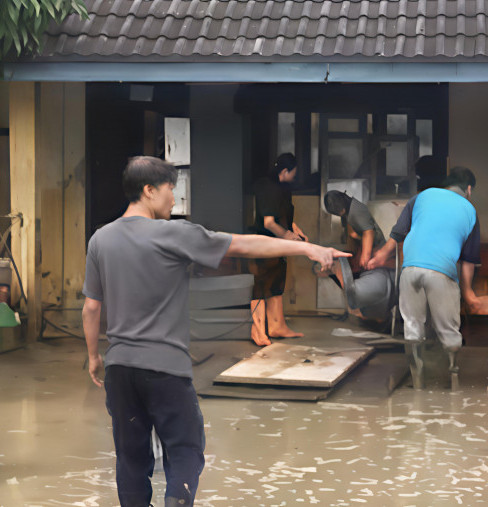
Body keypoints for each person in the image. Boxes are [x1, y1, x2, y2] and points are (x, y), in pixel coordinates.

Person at [82, 156, 348, 506]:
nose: (173, 199)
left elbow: (91, 307)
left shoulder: (100, 239)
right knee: (185, 452)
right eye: (169, 190)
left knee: (131, 459)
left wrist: (93, 357)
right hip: (165, 370)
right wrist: (308, 247)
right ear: (149, 191)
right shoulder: (175, 234)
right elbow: (246, 244)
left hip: (120, 369)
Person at [368, 166, 482, 389]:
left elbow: (397, 233)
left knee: (412, 326)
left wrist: (381, 255)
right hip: (441, 272)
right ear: (468, 189)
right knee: (448, 328)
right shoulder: (470, 210)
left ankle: (417, 377)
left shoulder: (421, 197)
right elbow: (469, 259)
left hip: (409, 270)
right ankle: (453, 372)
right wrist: (468, 292)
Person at [249, 153, 309, 346]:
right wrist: (287, 237)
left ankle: (277, 326)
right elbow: (269, 223)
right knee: (261, 286)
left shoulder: (283, 189)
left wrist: (296, 232)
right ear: (284, 171)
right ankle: (258, 331)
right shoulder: (267, 188)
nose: (294, 176)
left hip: (278, 244)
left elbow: (286, 217)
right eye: (293, 173)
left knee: (276, 284)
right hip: (263, 243)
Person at [322, 190, 396, 325]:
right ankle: (359, 308)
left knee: (357, 279)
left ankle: (364, 309)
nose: (340, 213)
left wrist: (365, 256)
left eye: (339, 211)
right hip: (363, 250)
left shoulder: (357, 210)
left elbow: (368, 232)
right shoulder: (349, 211)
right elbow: (353, 235)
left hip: (373, 251)